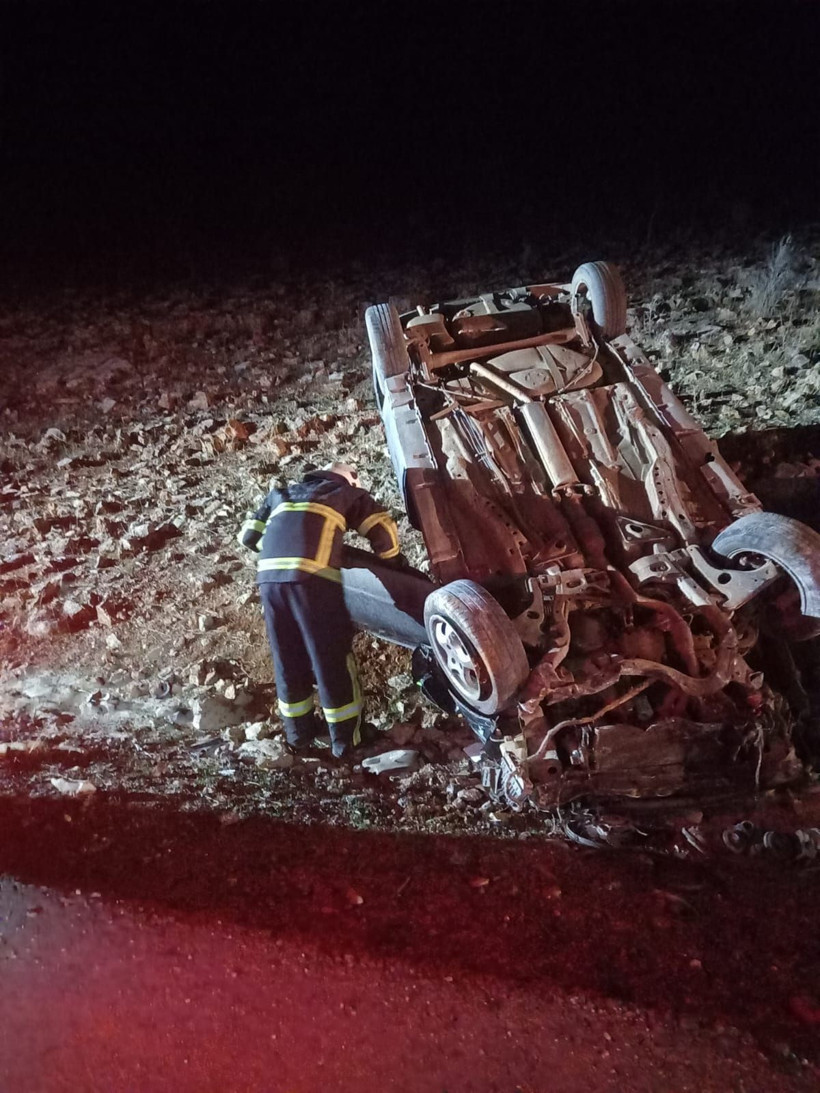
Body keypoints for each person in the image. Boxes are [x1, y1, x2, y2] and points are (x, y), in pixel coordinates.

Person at [238, 462, 403, 758]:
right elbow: (382, 528)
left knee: (288, 656)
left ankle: (298, 736)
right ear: (349, 478)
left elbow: (247, 537)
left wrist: (283, 553)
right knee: (330, 657)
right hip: (313, 581)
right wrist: (393, 564)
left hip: (269, 580)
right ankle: (346, 740)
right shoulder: (343, 492)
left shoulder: (281, 493)